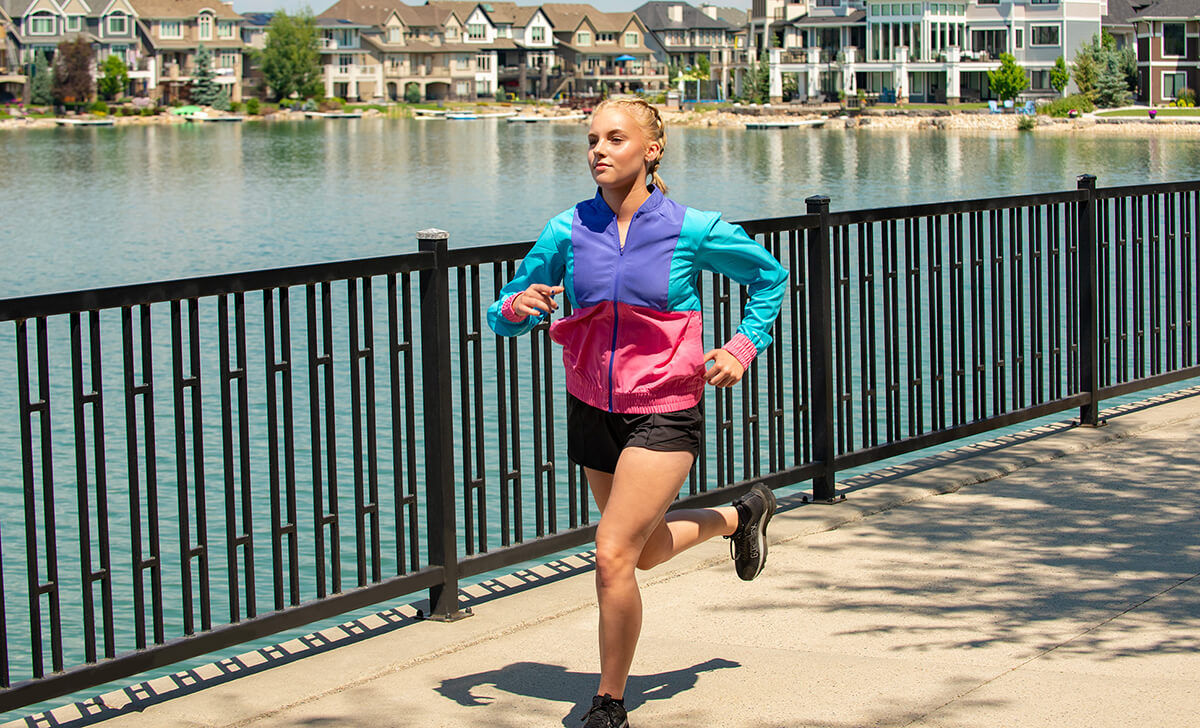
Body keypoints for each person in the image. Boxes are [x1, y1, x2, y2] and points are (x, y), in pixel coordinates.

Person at [486, 97, 788, 728]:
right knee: (641, 552)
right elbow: (504, 309)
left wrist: (742, 346)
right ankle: (741, 515)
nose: (598, 150)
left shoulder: (692, 228)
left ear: (652, 150)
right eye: (593, 139)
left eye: (615, 138)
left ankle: (609, 703)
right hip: (592, 408)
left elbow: (771, 278)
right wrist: (517, 307)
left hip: (665, 408)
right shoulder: (567, 229)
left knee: (611, 553)